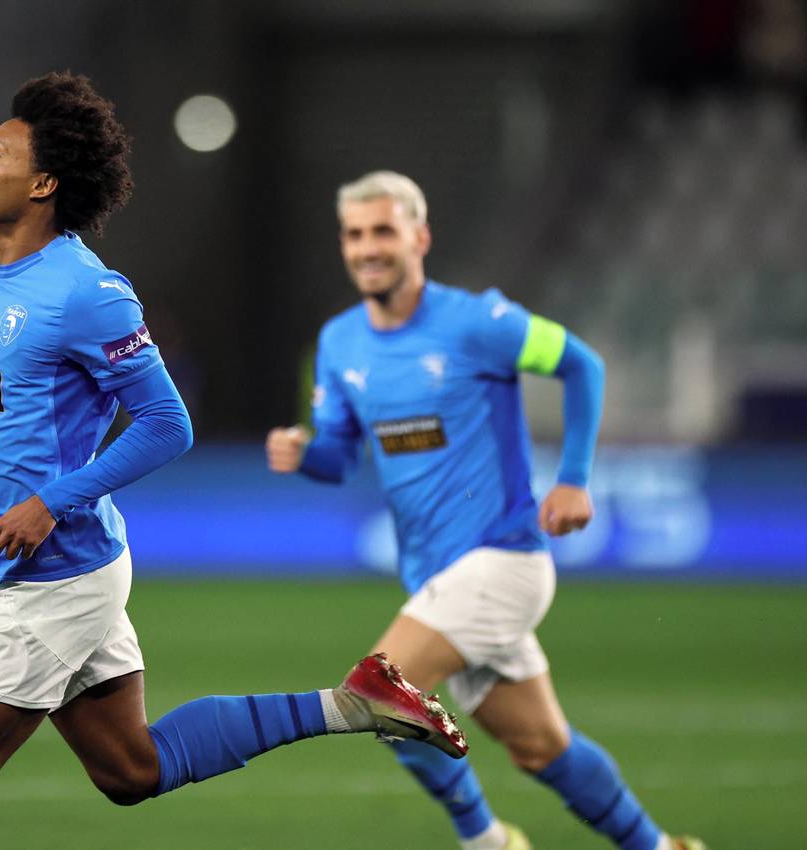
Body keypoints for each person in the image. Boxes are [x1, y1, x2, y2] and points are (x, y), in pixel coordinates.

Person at [0, 77, 467, 850]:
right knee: (132, 770)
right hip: (43, 565)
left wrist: (52, 501)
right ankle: (352, 704)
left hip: (54, 577)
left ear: (43, 183)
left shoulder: (88, 293)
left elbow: (167, 423)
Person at [266, 171, 706, 850]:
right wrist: (304, 453)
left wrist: (574, 479)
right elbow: (340, 457)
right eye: (354, 235)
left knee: (382, 695)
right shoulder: (339, 343)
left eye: (383, 231)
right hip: (438, 577)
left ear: (420, 237)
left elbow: (581, 364)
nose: (368, 248)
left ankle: (488, 842)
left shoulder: (477, 322)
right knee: (540, 749)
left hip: (502, 560)